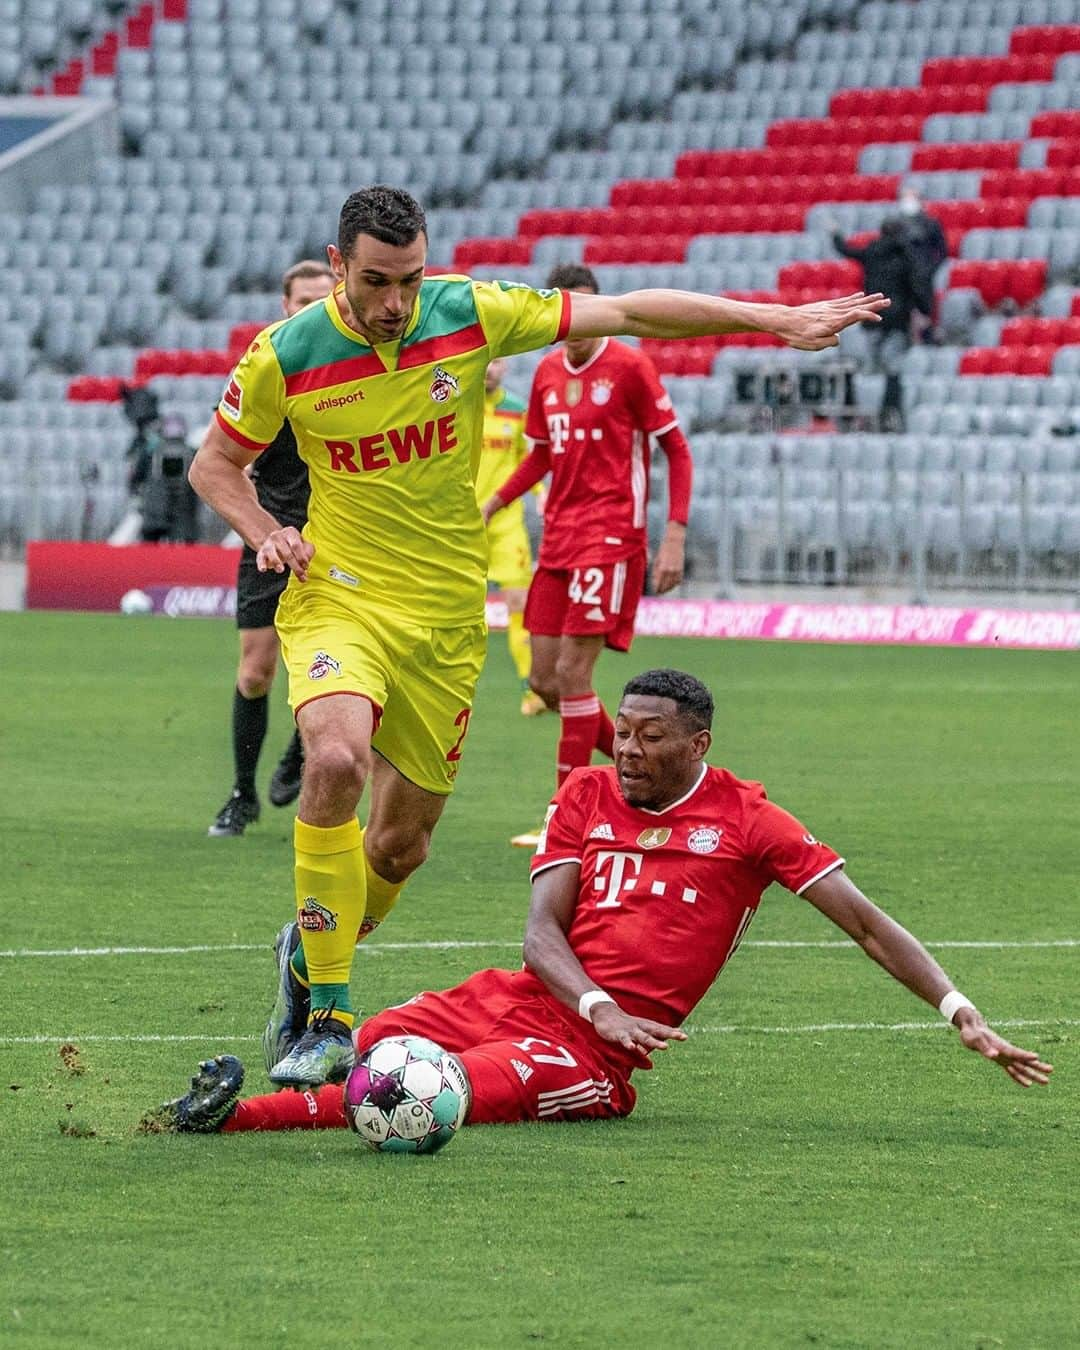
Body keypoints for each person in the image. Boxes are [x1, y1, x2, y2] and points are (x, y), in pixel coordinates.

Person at [189, 183, 889, 1089]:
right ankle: (327, 1013)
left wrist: (774, 319)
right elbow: (216, 464)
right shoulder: (285, 353)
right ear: (336, 269)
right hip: (341, 597)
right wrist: (265, 530)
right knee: (333, 763)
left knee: (400, 849)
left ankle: (310, 945)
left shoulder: (469, 311)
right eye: (375, 282)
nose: (396, 302)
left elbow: (633, 310)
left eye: (409, 278)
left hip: (445, 618)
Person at [149, 668, 1051, 1136]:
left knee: (434, 1089)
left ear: (697, 742)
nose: (627, 749)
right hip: (533, 998)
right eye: (622, 732)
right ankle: (261, 1088)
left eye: (650, 738)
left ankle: (227, 1120)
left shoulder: (751, 822)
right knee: (377, 1042)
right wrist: (596, 1001)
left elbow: (864, 921)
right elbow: (540, 932)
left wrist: (960, 1010)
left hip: (594, 1063)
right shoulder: (584, 794)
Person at [481, 264, 694, 847]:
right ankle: (661, 774)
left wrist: (673, 533)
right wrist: (492, 504)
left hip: (610, 537)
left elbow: (676, 449)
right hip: (558, 538)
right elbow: (541, 457)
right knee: (546, 681)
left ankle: (565, 820)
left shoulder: (630, 368)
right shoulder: (548, 372)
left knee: (576, 674)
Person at [208, 260, 335, 837]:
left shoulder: (354, 367)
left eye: (323, 297)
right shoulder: (267, 369)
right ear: (284, 305)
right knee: (256, 670)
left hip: (340, 538)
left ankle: (301, 749)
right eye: (301, 299)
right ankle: (242, 794)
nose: (311, 307)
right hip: (270, 531)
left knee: (330, 664)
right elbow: (223, 456)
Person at [476, 356, 546, 717]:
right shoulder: (457, 406)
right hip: (460, 525)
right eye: (485, 361)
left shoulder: (516, 410)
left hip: (505, 525)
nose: (489, 368)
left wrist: (540, 494)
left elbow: (529, 460)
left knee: (519, 603)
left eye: (497, 361)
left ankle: (530, 690)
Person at [831, 217, 919, 431]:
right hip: (897, 319)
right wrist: (923, 311)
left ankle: (867, 417)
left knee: (870, 371)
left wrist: (836, 234)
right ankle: (890, 413)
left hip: (873, 317)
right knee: (894, 369)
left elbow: (846, 250)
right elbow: (916, 285)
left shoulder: (872, 252)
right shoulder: (905, 255)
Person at [897, 185, 948, 340]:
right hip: (902, 276)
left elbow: (942, 250)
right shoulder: (896, 225)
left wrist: (931, 268)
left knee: (925, 308)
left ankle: (928, 335)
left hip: (924, 274)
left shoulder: (930, 224)